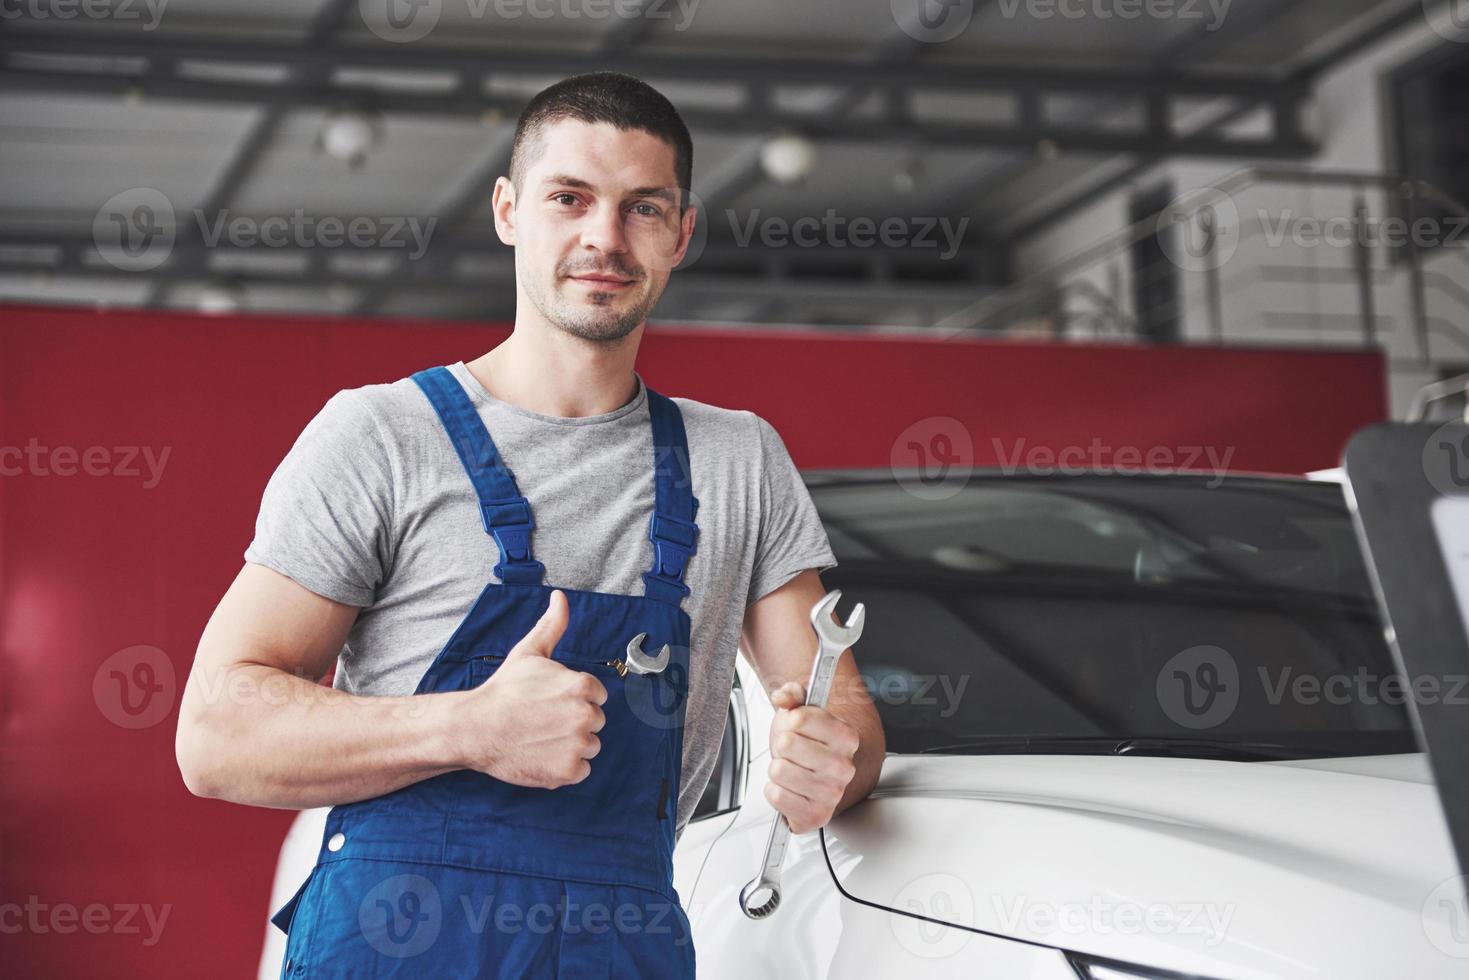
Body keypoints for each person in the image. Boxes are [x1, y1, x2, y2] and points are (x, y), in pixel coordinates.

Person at [175, 71, 885, 977]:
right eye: (570, 198)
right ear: (510, 210)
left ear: (682, 233)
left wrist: (834, 758)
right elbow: (214, 735)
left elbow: (846, 711)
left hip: (619, 946)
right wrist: (466, 729)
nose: (604, 237)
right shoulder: (381, 435)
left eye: (643, 208)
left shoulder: (738, 459)